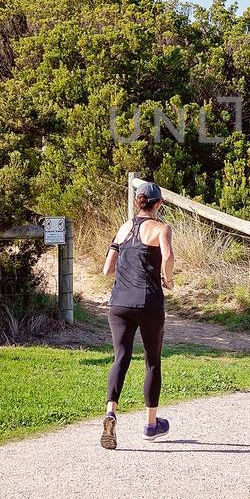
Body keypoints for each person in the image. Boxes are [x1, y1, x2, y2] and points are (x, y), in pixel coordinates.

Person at [100, 180, 173, 449]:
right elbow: (167, 257)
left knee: (121, 357)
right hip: (149, 303)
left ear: (136, 202)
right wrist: (168, 279)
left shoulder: (123, 228)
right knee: (152, 361)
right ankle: (151, 425)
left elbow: (108, 269)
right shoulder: (161, 228)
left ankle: (110, 411)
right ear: (158, 204)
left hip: (118, 303)